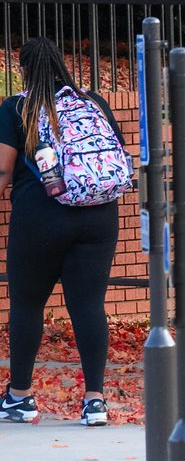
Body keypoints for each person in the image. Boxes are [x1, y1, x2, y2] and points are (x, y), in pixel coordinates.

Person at [0, 37, 126, 427]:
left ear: (23, 69)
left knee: (27, 302)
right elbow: (114, 153)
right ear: (61, 65)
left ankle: (19, 397)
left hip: (41, 216)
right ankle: (94, 402)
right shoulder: (93, 102)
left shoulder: (17, 107)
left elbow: (4, 170)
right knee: (89, 305)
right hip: (99, 216)